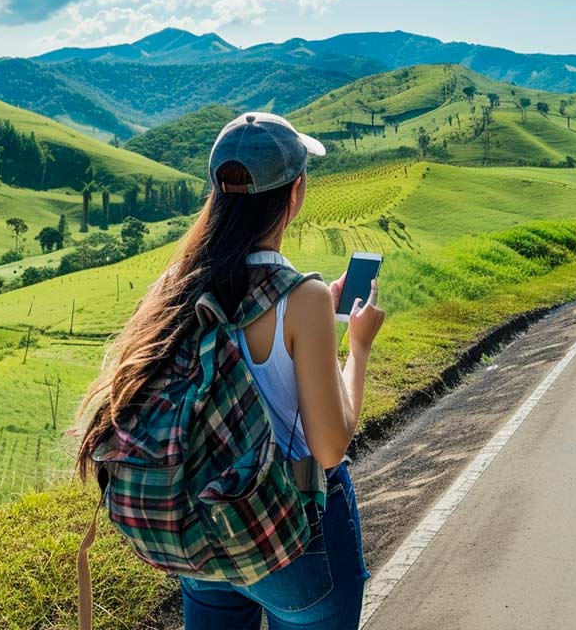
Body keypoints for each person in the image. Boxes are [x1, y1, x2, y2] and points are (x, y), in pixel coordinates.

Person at [75, 112, 385, 630]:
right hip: (289, 537)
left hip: (202, 525)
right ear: (296, 191)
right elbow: (330, 447)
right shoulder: (301, 297)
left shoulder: (177, 284)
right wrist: (357, 345)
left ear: (218, 194)